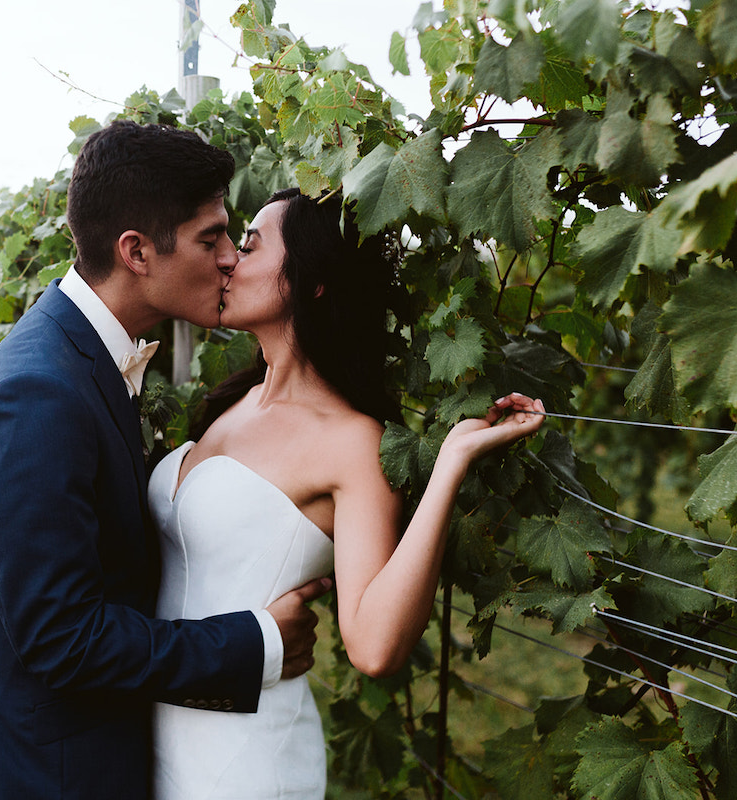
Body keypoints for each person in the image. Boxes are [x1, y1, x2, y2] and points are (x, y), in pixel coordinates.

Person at [0, 123, 331, 800]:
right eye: (211, 239)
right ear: (137, 251)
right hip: (40, 777)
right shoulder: (35, 395)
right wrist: (256, 643)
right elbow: (62, 637)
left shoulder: (78, 357)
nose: (230, 260)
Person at [148, 187, 546, 799]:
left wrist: (450, 464)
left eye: (249, 245)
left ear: (314, 283)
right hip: (155, 735)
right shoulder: (230, 402)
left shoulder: (351, 441)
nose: (228, 259)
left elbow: (375, 645)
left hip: (244, 764)